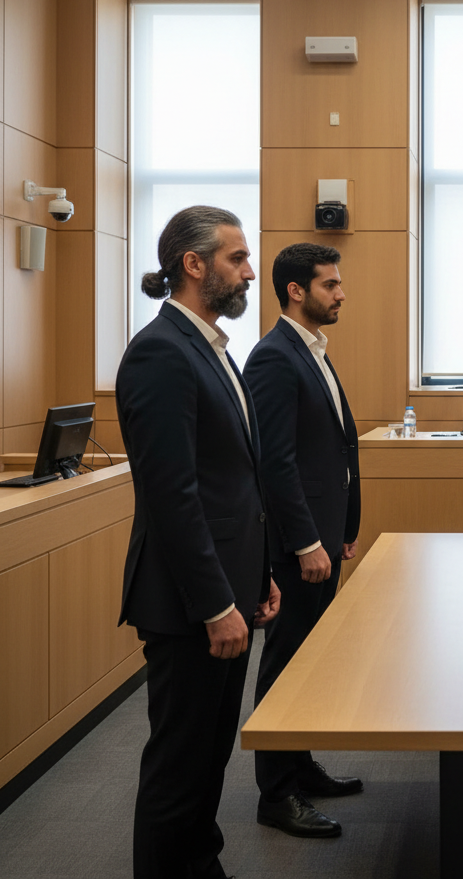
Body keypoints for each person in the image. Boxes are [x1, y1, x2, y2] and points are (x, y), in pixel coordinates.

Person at [117, 206, 281, 879]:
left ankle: (199, 866)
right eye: (237, 259)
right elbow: (173, 496)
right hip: (190, 603)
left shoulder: (211, 347)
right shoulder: (161, 351)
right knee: (179, 766)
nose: (249, 272)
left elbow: (233, 482)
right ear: (193, 264)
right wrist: (216, 603)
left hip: (226, 589)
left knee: (209, 757)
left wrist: (257, 576)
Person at [243, 243, 362, 838]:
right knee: (285, 663)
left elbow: (336, 447)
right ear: (296, 291)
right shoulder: (273, 357)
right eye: (329, 284)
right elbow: (275, 463)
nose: (341, 293)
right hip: (298, 546)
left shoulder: (312, 349)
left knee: (307, 662)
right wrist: (306, 542)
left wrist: (343, 529)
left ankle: (300, 765)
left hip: (323, 535)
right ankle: (276, 793)